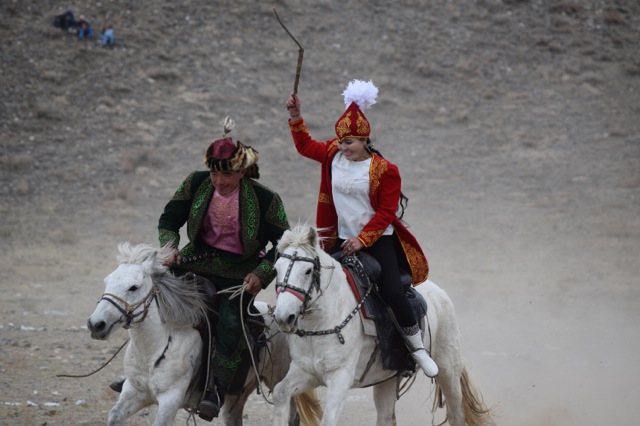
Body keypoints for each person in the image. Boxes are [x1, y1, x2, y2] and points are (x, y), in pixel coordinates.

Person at [111, 117, 290, 421]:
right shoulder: (196, 182)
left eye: (227, 175)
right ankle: (138, 380)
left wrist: (261, 274)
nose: (218, 182)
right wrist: (169, 247)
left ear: (242, 171)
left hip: (238, 276)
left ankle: (216, 388)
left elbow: (284, 245)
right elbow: (169, 219)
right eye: (214, 174)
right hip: (193, 263)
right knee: (152, 303)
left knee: (231, 325)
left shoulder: (265, 198)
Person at [284, 80, 439, 378]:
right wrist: (295, 116)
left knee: (393, 292)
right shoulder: (332, 154)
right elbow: (304, 145)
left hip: (378, 240)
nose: (344, 149)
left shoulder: (385, 170)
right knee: (310, 279)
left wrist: (362, 239)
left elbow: (386, 213)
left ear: (364, 140)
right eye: (341, 142)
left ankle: (416, 349)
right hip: (338, 238)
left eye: (350, 143)